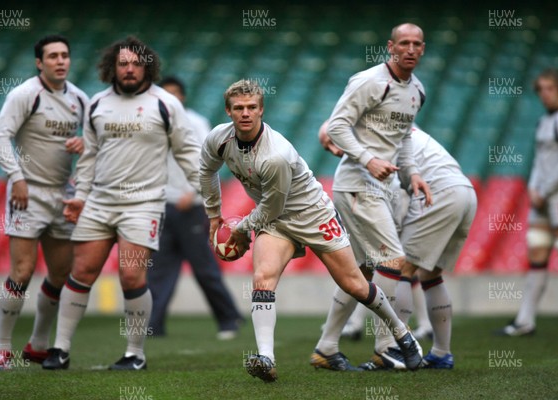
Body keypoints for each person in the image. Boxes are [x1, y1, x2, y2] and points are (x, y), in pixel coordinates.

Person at [199, 79, 422, 382]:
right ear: (228, 111)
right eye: (239, 108)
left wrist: (241, 229)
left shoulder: (275, 154)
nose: (245, 113)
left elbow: (271, 208)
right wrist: (214, 216)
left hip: (312, 215)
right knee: (263, 278)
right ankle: (266, 357)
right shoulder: (219, 139)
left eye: (252, 107)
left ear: (262, 110)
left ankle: (402, 333)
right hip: (276, 222)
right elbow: (207, 171)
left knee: (354, 285)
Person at [42, 36, 201, 371]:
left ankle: (135, 353)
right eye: (123, 64)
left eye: (136, 64)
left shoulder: (165, 104)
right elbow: (88, 156)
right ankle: (59, 349)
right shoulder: (97, 103)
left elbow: (188, 154)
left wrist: (207, 196)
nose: (129, 70)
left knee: (131, 276)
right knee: (81, 271)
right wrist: (80, 197)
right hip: (99, 201)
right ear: (112, 67)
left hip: (143, 205)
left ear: (148, 67)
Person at [314, 123, 476, 370]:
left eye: (332, 141)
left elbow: (397, 193)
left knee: (397, 268)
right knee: (430, 275)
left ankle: (391, 350)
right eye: (327, 149)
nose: (335, 151)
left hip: (436, 193)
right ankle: (441, 354)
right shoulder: (391, 126)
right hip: (463, 192)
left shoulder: (369, 144)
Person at [318, 23, 431, 370]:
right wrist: (368, 158)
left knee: (361, 272)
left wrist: (412, 174)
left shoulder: (417, 91)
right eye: (404, 43)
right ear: (390, 47)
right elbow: (336, 126)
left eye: (416, 44)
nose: (410, 49)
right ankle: (386, 345)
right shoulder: (369, 81)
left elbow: (404, 137)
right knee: (393, 260)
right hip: (356, 185)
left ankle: (326, 346)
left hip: (385, 187)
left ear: (422, 49)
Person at [0, 34, 88, 370]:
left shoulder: (80, 99)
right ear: (39, 62)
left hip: (64, 194)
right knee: (23, 270)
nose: (60, 61)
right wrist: (17, 178)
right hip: (27, 191)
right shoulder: (24, 94)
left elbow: (95, 142)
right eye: (53, 56)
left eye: (65, 55)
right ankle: (2, 346)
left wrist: (84, 144)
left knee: (60, 274)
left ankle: (38, 344)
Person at [148, 76, 242, 340]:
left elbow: (210, 160)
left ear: (183, 96)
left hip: (191, 206)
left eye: (175, 93)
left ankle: (228, 318)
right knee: (159, 268)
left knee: (204, 267)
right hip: (164, 205)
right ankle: (153, 324)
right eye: (166, 93)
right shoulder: (153, 123)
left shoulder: (196, 122)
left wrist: (193, 192)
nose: (171, 98)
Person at [497, 69, 558, 336]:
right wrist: (533, 188)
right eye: (541, 89)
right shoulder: (544, 121)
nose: (545, 94)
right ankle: (525, 320)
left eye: (550, 88)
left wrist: (545, 190)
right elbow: (540, 161)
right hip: (543, 200)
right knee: (537, 254)